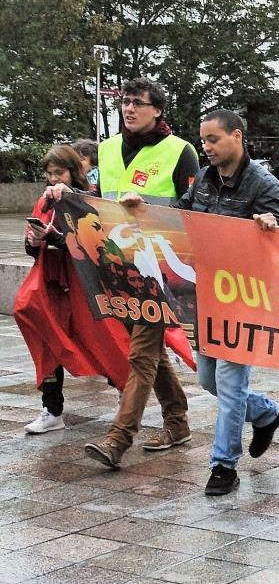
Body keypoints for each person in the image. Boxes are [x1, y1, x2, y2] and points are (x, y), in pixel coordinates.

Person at [81, 77, 198, 468]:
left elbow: (193, 208)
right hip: (119, 267)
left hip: (159, 268)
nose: (129, 108)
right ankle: (177, 421)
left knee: (141, 354)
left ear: (157, 110)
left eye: (138, 103)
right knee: (150, 349)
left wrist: (147, 210)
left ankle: (118, 438)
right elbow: (96, 203)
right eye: (125, 102)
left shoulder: (180, 151)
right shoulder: (107, 148)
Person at [176, 110, 279, 495]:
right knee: (209, 379)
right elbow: (180, 214)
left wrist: (271, 227)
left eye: (213, 139)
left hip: (243, 299)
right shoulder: (203, 180)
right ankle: (266, 412)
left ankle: (223, 465)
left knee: (228, 382)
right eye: (203, 140)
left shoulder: (263, 182)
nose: (206, 147)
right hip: (206, 296)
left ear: (237, 136)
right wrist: (138, 208)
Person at [19, 146, 129, 434]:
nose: (54, 179)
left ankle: (125, 393)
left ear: (74, 172)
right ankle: (52, 409)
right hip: (52, 284)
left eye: (60, 173)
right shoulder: (44, 202)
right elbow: (33, 250)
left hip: (84, 285)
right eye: (50, 174)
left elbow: (93, 246)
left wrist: (55, 236)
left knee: (103, 339)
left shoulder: (87, 201)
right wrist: (34, 242)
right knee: (46, 340)